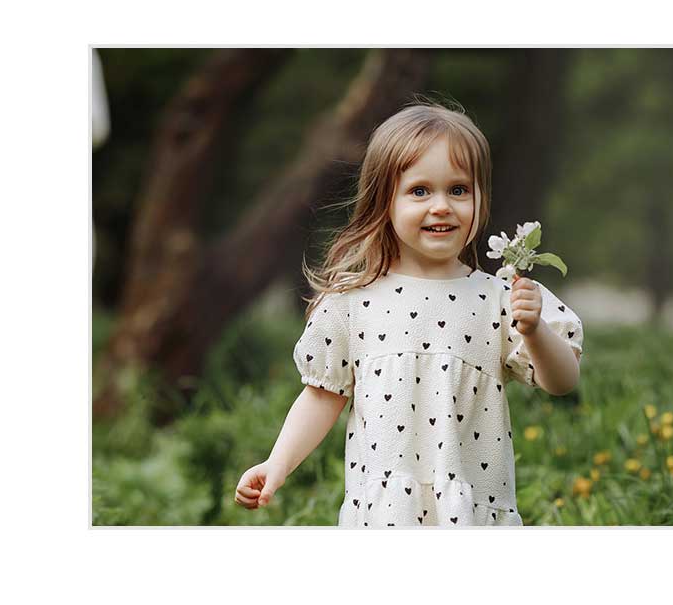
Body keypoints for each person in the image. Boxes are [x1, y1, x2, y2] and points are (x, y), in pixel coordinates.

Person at [234, 102, 584, 526]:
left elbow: (562, 382)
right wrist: (278, 463)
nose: (441, 206)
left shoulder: (500, 298)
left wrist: (534, 331)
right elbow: (321, 396)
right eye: (420, 191)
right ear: (385, 201)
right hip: (384, 515)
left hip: (471, 511)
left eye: (458, 190)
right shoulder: (352, 302)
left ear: (480, 199)